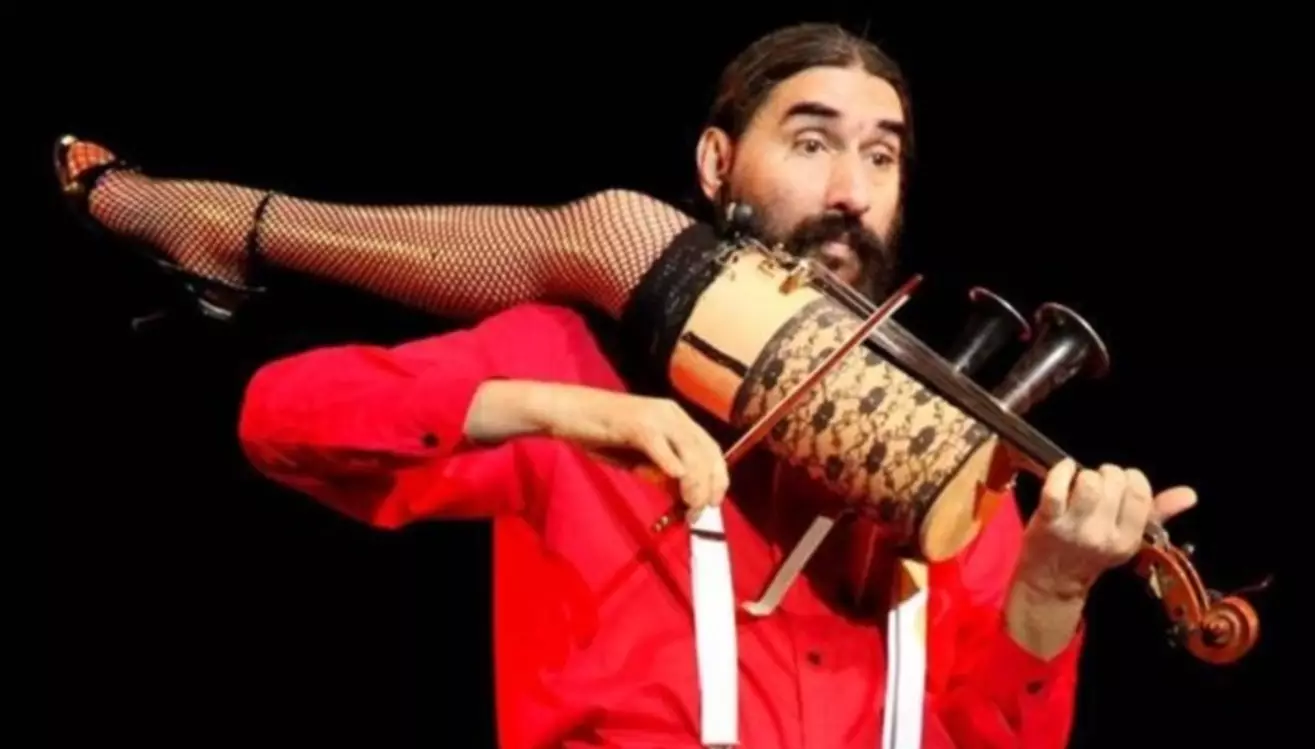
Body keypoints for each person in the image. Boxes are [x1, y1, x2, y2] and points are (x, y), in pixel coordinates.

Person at [52, 22, 1198, 749]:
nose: (852, 189)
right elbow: (284, 418)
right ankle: (221, 223)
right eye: (810, 142)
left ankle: (221, 226)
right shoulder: (577, 364)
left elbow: (988, 735)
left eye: (882, 154)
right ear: (716, 163)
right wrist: (560, 408)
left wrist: (1049, 590)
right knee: (607, 229)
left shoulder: (940, 464)